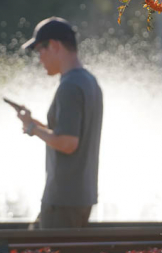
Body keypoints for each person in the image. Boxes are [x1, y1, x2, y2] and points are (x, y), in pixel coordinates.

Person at [18, 16, 103, 229]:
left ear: (54, 46)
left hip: (63, 200)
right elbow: (67, 132)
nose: (39, 59)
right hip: (79, 198)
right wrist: (33, 123)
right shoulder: (89, 81)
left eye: (40, 51)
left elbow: (67, 143)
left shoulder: (69, 86)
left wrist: (32, 128)